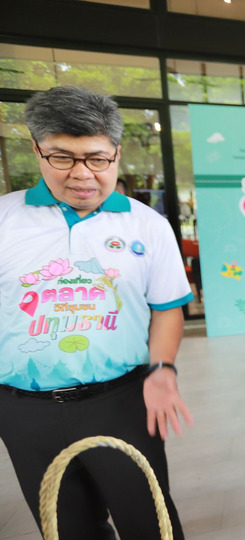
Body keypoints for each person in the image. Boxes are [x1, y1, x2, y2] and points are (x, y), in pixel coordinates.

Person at [0, 86, 193, 540]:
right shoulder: (5, 219)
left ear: (116, 154)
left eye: (97, 158)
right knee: (68, 528)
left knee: (150, 522)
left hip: (122, 401)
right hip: (24, 410)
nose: (82, 174)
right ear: (37, 150)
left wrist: (162, 369)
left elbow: (167, 309)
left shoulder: (148, 225)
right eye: (63, 157)